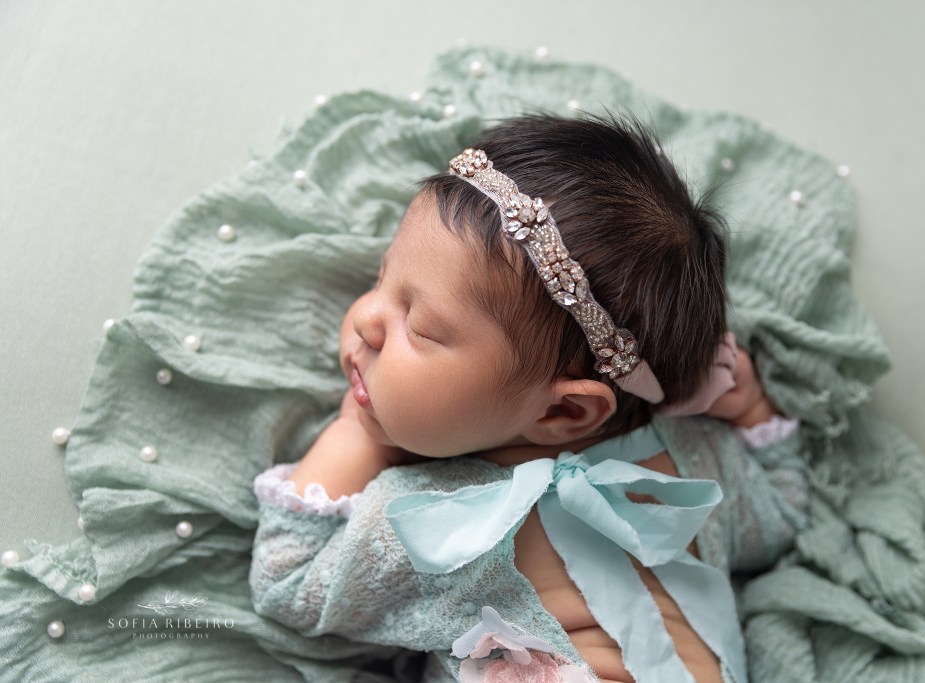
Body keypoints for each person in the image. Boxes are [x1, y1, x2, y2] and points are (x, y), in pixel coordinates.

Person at [249, 114, 807, 683]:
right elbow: (783, 514)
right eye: (382, 278)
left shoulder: (437, 525)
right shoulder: (692, 465)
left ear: (564, 411)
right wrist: (752, 410)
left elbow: (287, 580)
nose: (367, 320)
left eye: (419, 327)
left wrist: (353, 433)